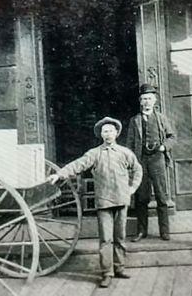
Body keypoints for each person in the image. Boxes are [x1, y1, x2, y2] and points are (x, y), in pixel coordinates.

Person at [47, 116, 142, 288]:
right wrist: (59, 174)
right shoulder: (94, 153)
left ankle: (120, 268)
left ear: (116, 133)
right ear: (101, 134)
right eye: (104, 131)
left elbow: (137, 169)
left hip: (122, 200)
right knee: (106, 239)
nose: (108, 134)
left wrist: (132, 188)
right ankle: (107, 272)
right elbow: (78, 164)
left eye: (111, 131)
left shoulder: (125, 153)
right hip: (104, 202)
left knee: (120, 237)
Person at [126, 83, 176, 242]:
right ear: (140, 101)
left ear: (155, 101)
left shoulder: (161, 118)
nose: (147, 102)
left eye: (149, 98)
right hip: (141, 162)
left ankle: (164, 231)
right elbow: (129, 144)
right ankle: (142, 231)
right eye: (144, 99)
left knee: (162, 197)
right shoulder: (135, 121)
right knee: (141, 198)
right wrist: (132, 163)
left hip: (158, 160)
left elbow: (172, 137)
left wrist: (163, 147)